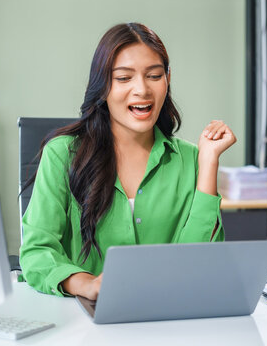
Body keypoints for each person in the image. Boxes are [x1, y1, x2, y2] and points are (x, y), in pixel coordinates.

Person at [20, 23, 236, 300]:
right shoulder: (62, 154)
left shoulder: (191, 159)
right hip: (85, 321)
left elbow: (199, 260)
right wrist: (84, 283)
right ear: (102, 86)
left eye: (154, 76)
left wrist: (209, 162)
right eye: (123, 78)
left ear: (168, 79)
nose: (142, 90)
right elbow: (37, 252)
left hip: (169, 316)